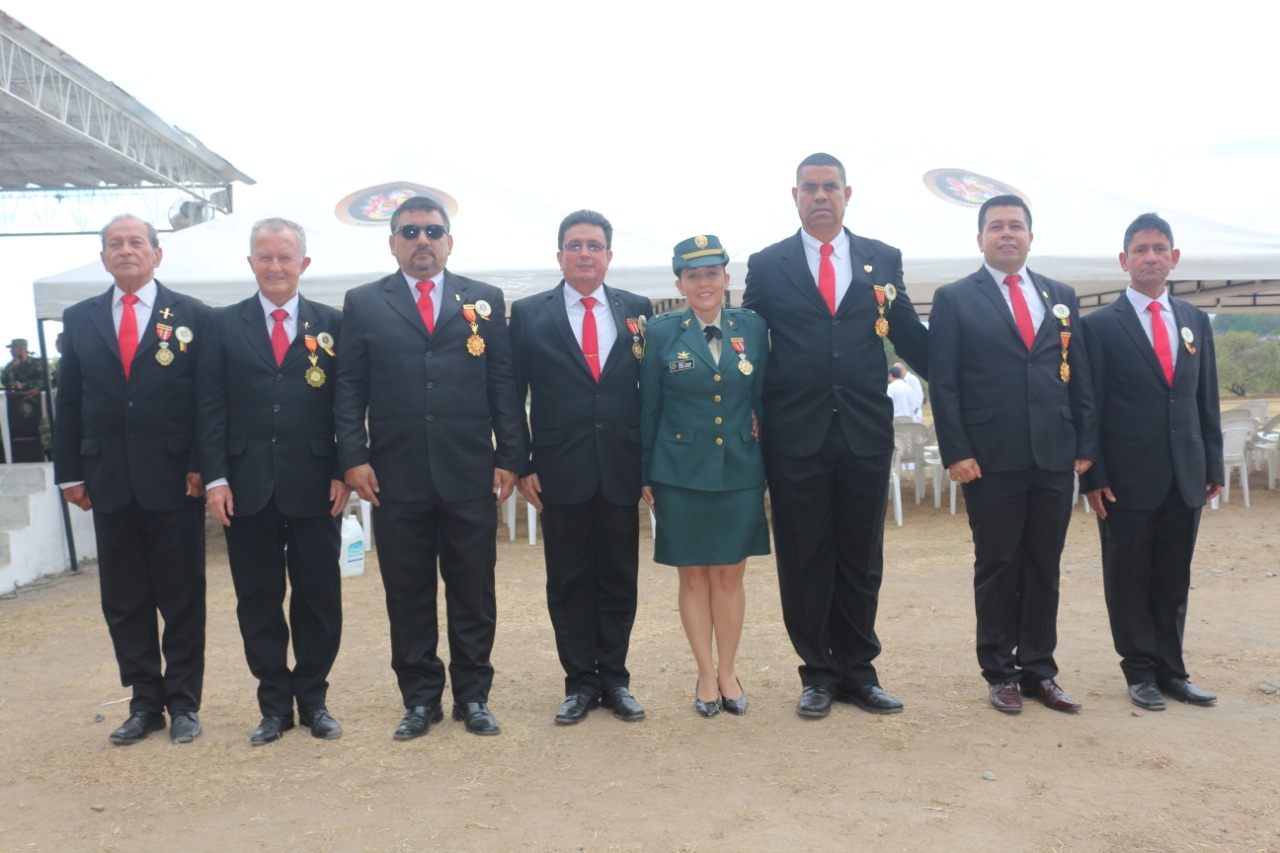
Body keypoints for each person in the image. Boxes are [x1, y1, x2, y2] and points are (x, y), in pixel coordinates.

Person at [742, 153, 927, 719]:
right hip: (794, 435)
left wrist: (967, 371)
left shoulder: (881, 258)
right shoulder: (767, 264)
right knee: (804, 558)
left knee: (861, 558)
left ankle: (859, 672)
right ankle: (818, 674)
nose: (820, 196)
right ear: (794, 196)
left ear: (848, 194)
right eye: (809, 188)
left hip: (863, 431)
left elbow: (908, 334)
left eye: (830, 187)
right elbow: (748, 342)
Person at [335, 196, 524, 740]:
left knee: (473, 589)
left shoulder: (484, 300)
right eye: (411, 231)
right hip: (395, 476)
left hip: (469, 471)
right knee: (408, 591)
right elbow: (349, 388)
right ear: (392, 242)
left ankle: (473, 696)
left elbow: (503, 383)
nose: (423, 240)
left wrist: (510, 457)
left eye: (433, 231)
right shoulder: (364, 303)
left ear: (449, 241)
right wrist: (353, 457)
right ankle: (420, 699)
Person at [929, 194, 1097, 714]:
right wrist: (957, 451)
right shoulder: (955, 298)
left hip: (1053, 454)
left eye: (1016, 226)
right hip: (989, 457)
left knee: (1044, 565)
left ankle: (1040, 671)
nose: (1007, 233)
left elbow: (1079, 375)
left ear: (1030, 236)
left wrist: (1085, 443)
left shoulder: (1060, 296)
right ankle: (1000, 671)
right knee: (998, 564)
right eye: (997, 226)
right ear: (980, 238)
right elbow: (944, 382)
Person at [54, 214, 209, 745]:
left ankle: (184, 703)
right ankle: (145, 703)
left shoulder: (191, 315)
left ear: (156, 254)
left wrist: (201, 463)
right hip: (108, 479)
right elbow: (69, 400)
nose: (125, 250)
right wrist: (69, 473)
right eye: (115, 244)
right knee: (124, 600)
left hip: (174, 478)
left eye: (136, 242)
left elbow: (205, 399)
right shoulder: (80, 318)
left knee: (181, 596)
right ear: (103, 258)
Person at [197, 218, 348, 745]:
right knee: (258, 599)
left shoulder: (333, 323)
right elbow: (209, 407)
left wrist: (342, 469)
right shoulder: (221, 324)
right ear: (251, 263)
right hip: (246, 486)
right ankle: (273, 707)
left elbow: (348, 404)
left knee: (318, 597)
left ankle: (314, 701)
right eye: (265, 256)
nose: (275, 266)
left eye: (285, 257)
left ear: (303, 264)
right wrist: (216, 478)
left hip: (316, 484)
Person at [510, 210, 652, 725]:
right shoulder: (529, 313)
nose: (585, 253)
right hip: (557, 468)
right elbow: (511, 393)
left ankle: (614, 679)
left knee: (619, 577)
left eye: (594, 245)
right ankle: (579, 683)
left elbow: (651, 390)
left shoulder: (638, 311)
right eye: (575, 245)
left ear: (609, 256)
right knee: (568, 581)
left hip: (620, 465)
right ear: (560, 256)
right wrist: (521, 461)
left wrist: (650, 463)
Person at [1081, 213, 1223, 712]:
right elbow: (1090, 407)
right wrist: (1093, 475)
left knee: (1172, 577)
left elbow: (1204, 398)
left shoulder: (1194, 320)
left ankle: (1172, 671)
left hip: (1185, 475)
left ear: (1174, 258)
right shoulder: (1098, 326)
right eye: (1140, 250)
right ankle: (1139, 671)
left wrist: (1213, 465)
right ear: (1124, 260)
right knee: (1128, 578)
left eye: (1160, 249)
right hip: (1125, 479)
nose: (1150, 257)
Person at [640, 235, 769, 718]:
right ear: (680, 284)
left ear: (726, 278)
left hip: (739, 468)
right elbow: (648, 407)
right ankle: (705, 673)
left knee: (730, 576)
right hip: (679, 472)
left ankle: (729, 670)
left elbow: (764, 396)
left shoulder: (752, 328)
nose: (703, 283)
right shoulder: (660, 332)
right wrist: (645, 473)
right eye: (693, 276)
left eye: (712, 273)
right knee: (693, 576)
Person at [3, 338, 46, 463]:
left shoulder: (36, 363)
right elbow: (5, 381)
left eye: (13, 348)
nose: (11, 351)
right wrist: (13, 367)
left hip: (35, 401)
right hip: (14, 401)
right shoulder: (11, 365)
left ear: (21, 349)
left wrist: (24, 385)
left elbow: (45, 381)